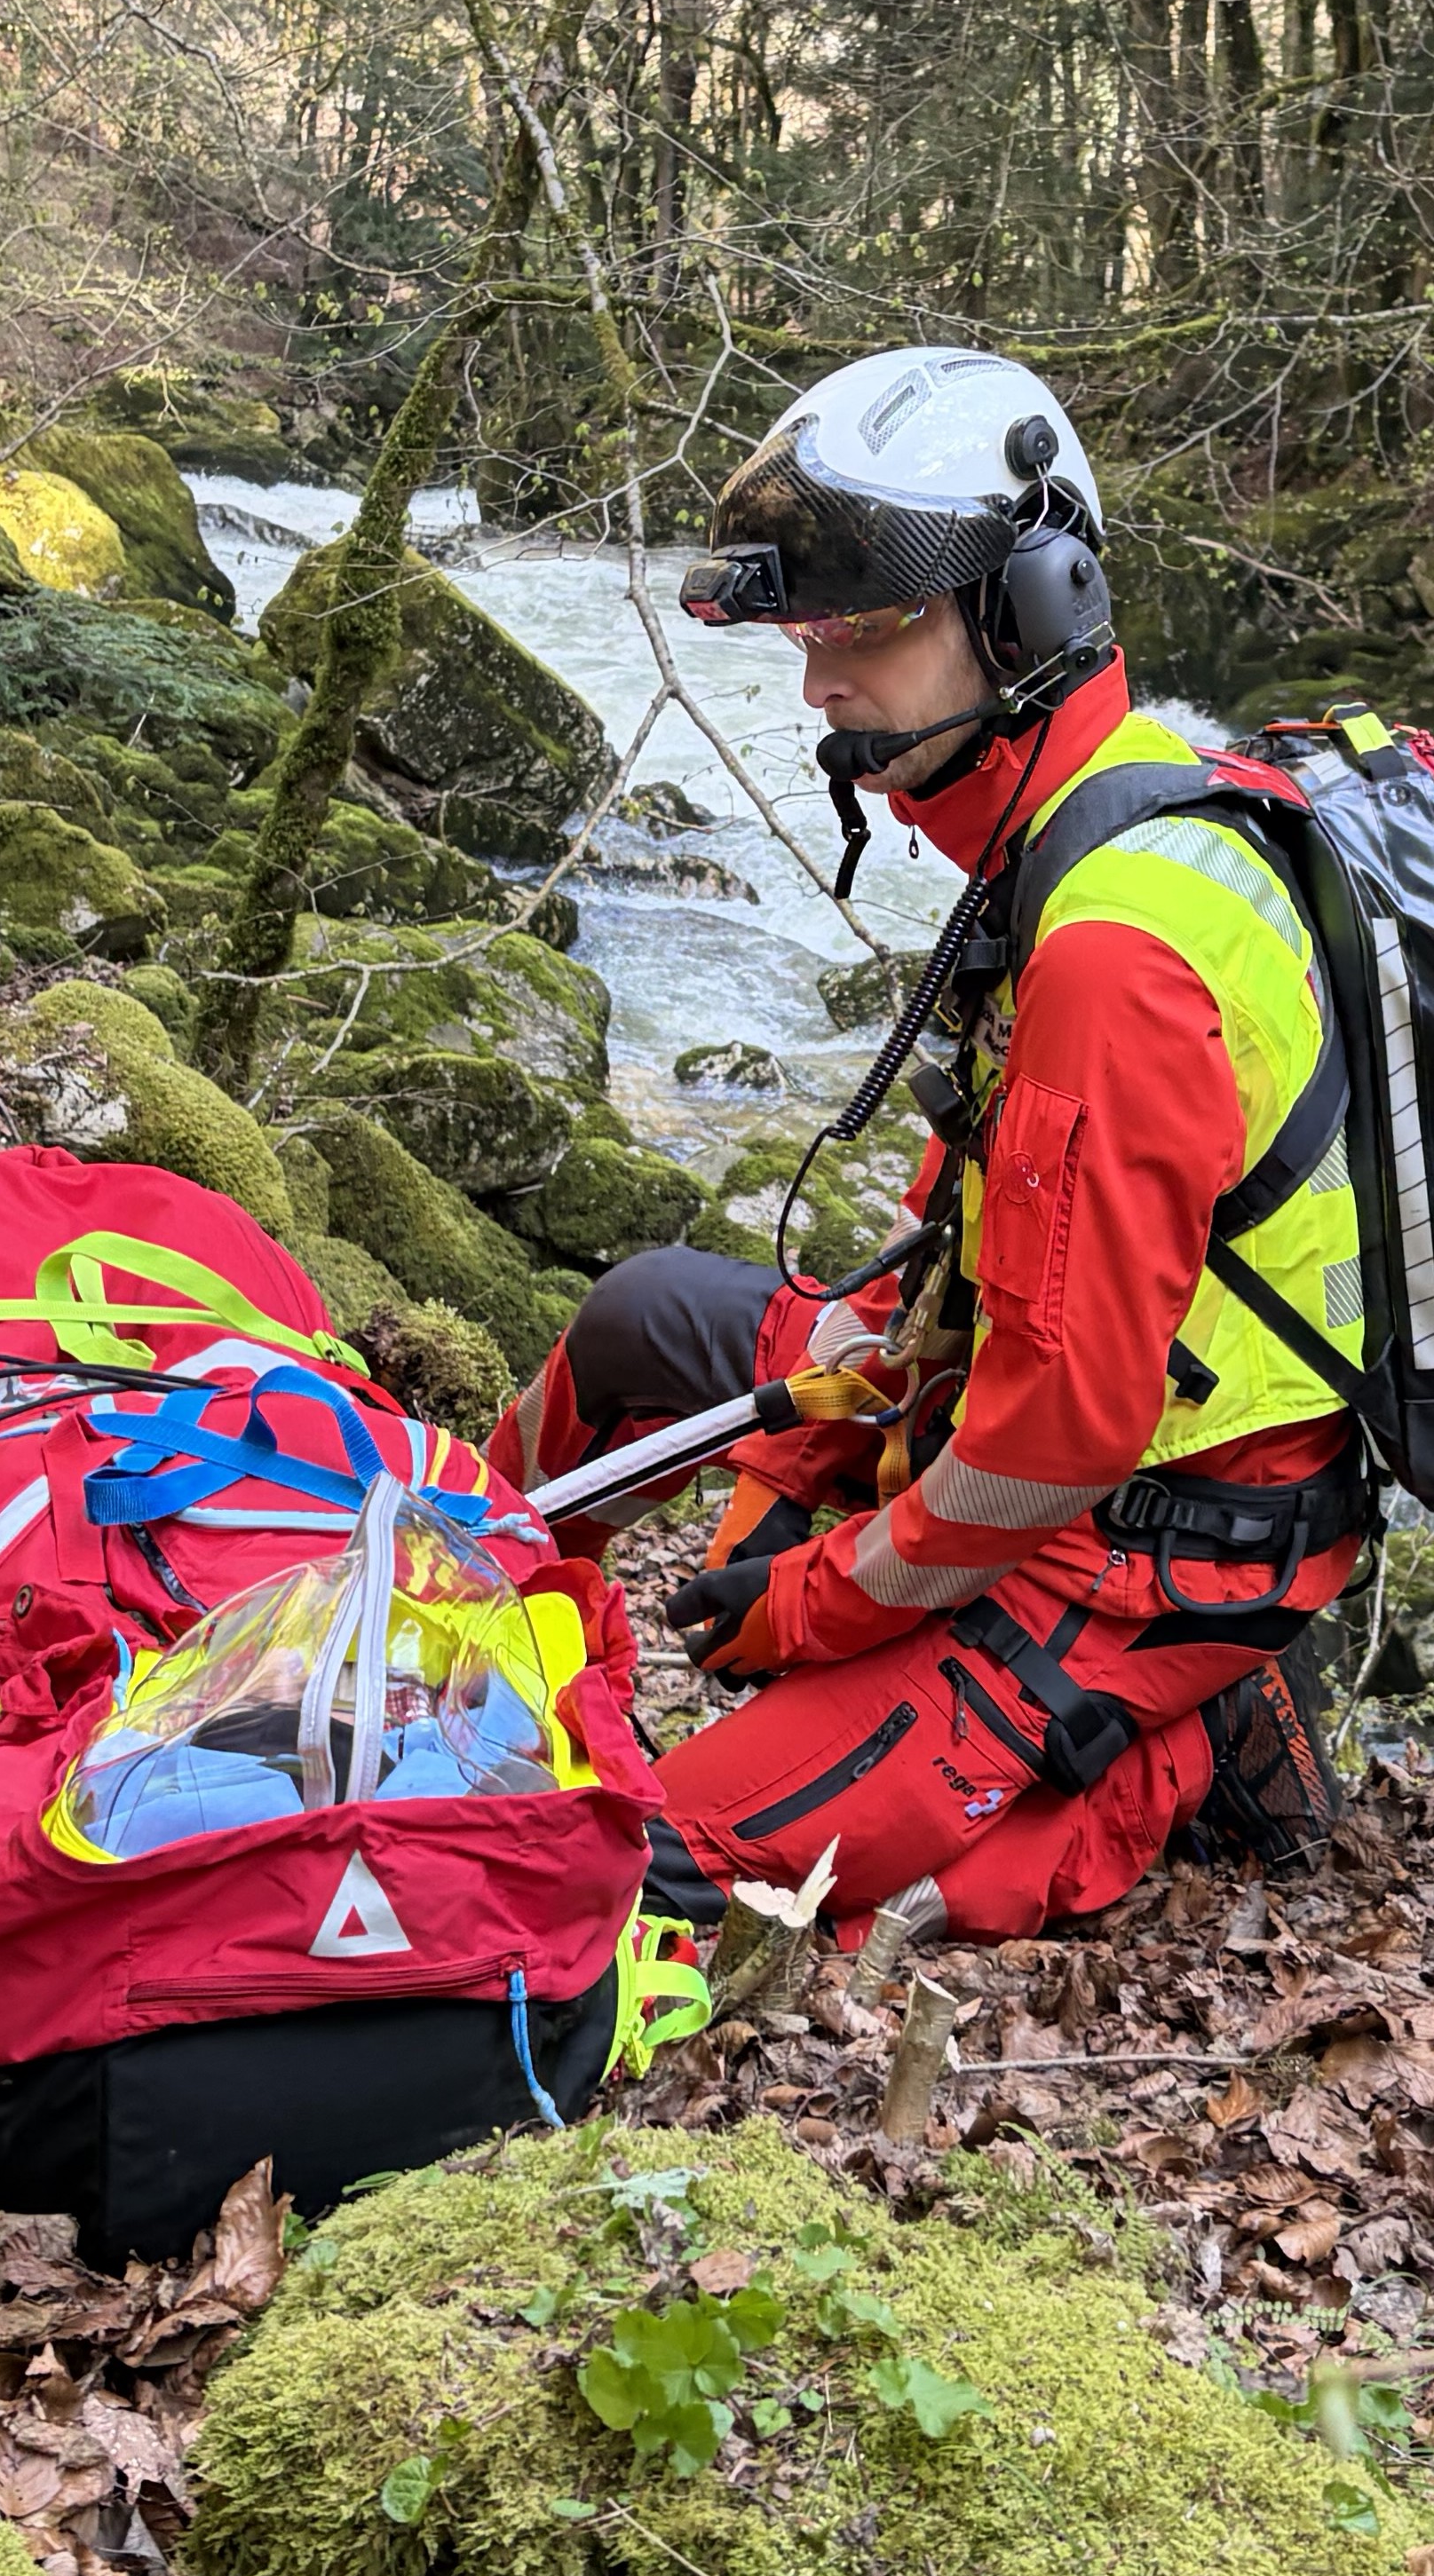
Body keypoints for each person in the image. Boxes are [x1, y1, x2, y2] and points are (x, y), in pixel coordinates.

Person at [491, 346, 1365, 1947]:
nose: (820, 685)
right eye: (810, 637)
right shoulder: (1080, 818)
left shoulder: (1115, 937)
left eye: (863, 630)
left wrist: (808, 1599)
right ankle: (459, 1624)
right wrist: (834, 1407)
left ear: (1030, 608)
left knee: (653, 1880)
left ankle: (1161, 1754)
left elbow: (1053, 1442)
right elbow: (993, 1235)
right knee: (634, 1322)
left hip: (1152, 1537)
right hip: (1051, 1401)